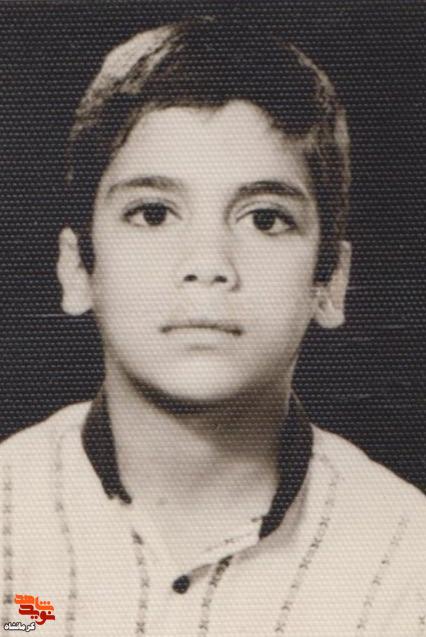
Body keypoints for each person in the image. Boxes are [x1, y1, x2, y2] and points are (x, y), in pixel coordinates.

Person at [1, 16, 425, 636]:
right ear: (77, 268)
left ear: (330, 282)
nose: (207, 264)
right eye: (152, 214)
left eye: (265, 219)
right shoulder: (11, 534)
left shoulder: (406, 564)